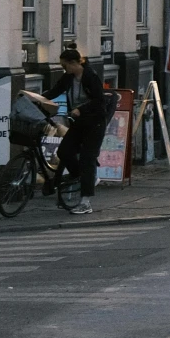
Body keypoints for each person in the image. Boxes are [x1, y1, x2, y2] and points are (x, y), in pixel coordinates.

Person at [51, 47, 116, 216]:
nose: (64, 69)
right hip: (78, 122)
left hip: (94, 123)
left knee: (88, 158)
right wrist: (36, 98)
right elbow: (55, 91)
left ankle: (85, 201)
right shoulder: (68, 77)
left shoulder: (90, 77)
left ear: (74, 63)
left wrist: (81, 109)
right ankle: (81, 177)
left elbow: (99, 100)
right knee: (64, 151)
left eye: (65, 66)